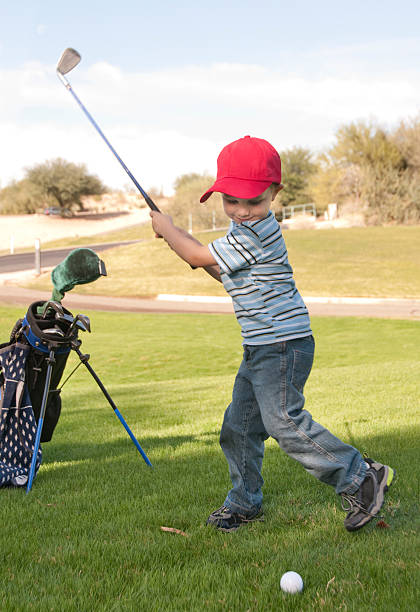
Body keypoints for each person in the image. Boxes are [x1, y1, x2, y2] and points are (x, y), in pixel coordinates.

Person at [150, 135, 394, 533]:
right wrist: (176, 239)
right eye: (233, 201)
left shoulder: (256, 233)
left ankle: (359, 477)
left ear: (274, 195)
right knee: (239, 427)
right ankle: (244, 503)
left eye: (254, 201)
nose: (243, 212)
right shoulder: (240, 236)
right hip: (261, 345)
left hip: (282, 345)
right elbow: (212, 267)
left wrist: (169, 229)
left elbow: (197, 258)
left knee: (283, 421)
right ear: (220, 197)